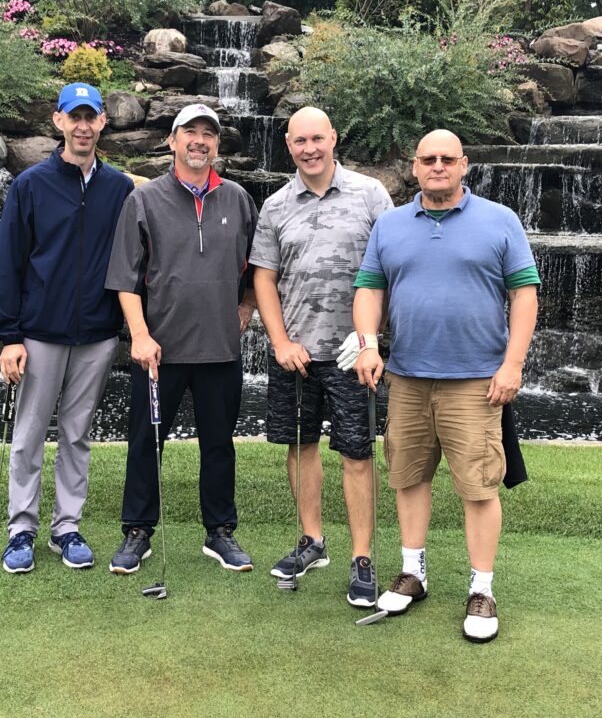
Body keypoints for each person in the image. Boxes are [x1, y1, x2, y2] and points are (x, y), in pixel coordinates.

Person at [351, 129, 539, 642]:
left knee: (478, 486)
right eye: (428, 159)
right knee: (408, 477)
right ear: (414, 167)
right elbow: (369, 287)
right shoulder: (390, 225)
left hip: (477, 381)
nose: (437, 166)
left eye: (447, 159)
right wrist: (368, 343)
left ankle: (482, 588)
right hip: (408, 376)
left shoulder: (500, 221)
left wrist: (513, 364)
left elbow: (524, 294)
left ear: (464, 165)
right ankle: (414, 572)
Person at [0, 83, 134, 574]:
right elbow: (7, 262)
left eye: (92, 118)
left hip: (97, 333)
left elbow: (134, 260)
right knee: (28, 435)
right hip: (40, 333)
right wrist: (8, 335)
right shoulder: (30, 185)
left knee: (77, 435)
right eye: (76, 117)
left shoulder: (119, 188)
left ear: (103, 125)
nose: (84, 126)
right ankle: (21, 530)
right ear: (59, 122)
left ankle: (66, 528)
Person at [104, 103, 259, 574]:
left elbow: (256, 270)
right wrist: (140, 335)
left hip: (220, 350)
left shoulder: (237, 198)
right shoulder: (144, 199)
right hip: (159, 352)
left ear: (216, 145)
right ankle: (138, 530)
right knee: (146, 442)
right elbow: (125, 280)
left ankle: (219, 532)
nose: (199, 140)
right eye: (189, 131)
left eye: (208, 133)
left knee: (219, 444)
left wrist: (246, 310)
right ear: (172, 141)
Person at [249, 107, 394, 607]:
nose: (309, 148)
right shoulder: (274, 206)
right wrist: (281, 340)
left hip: (356, 353)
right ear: (287, 145)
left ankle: (362, 558)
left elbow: (392, 267)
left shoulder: (371, 194)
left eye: (317, 138)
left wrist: (374, 341)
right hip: (296, 353)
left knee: (357, 453)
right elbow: (264, 278)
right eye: (299, 141)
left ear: (334, 137)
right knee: (301, 445)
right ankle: (312, 541)